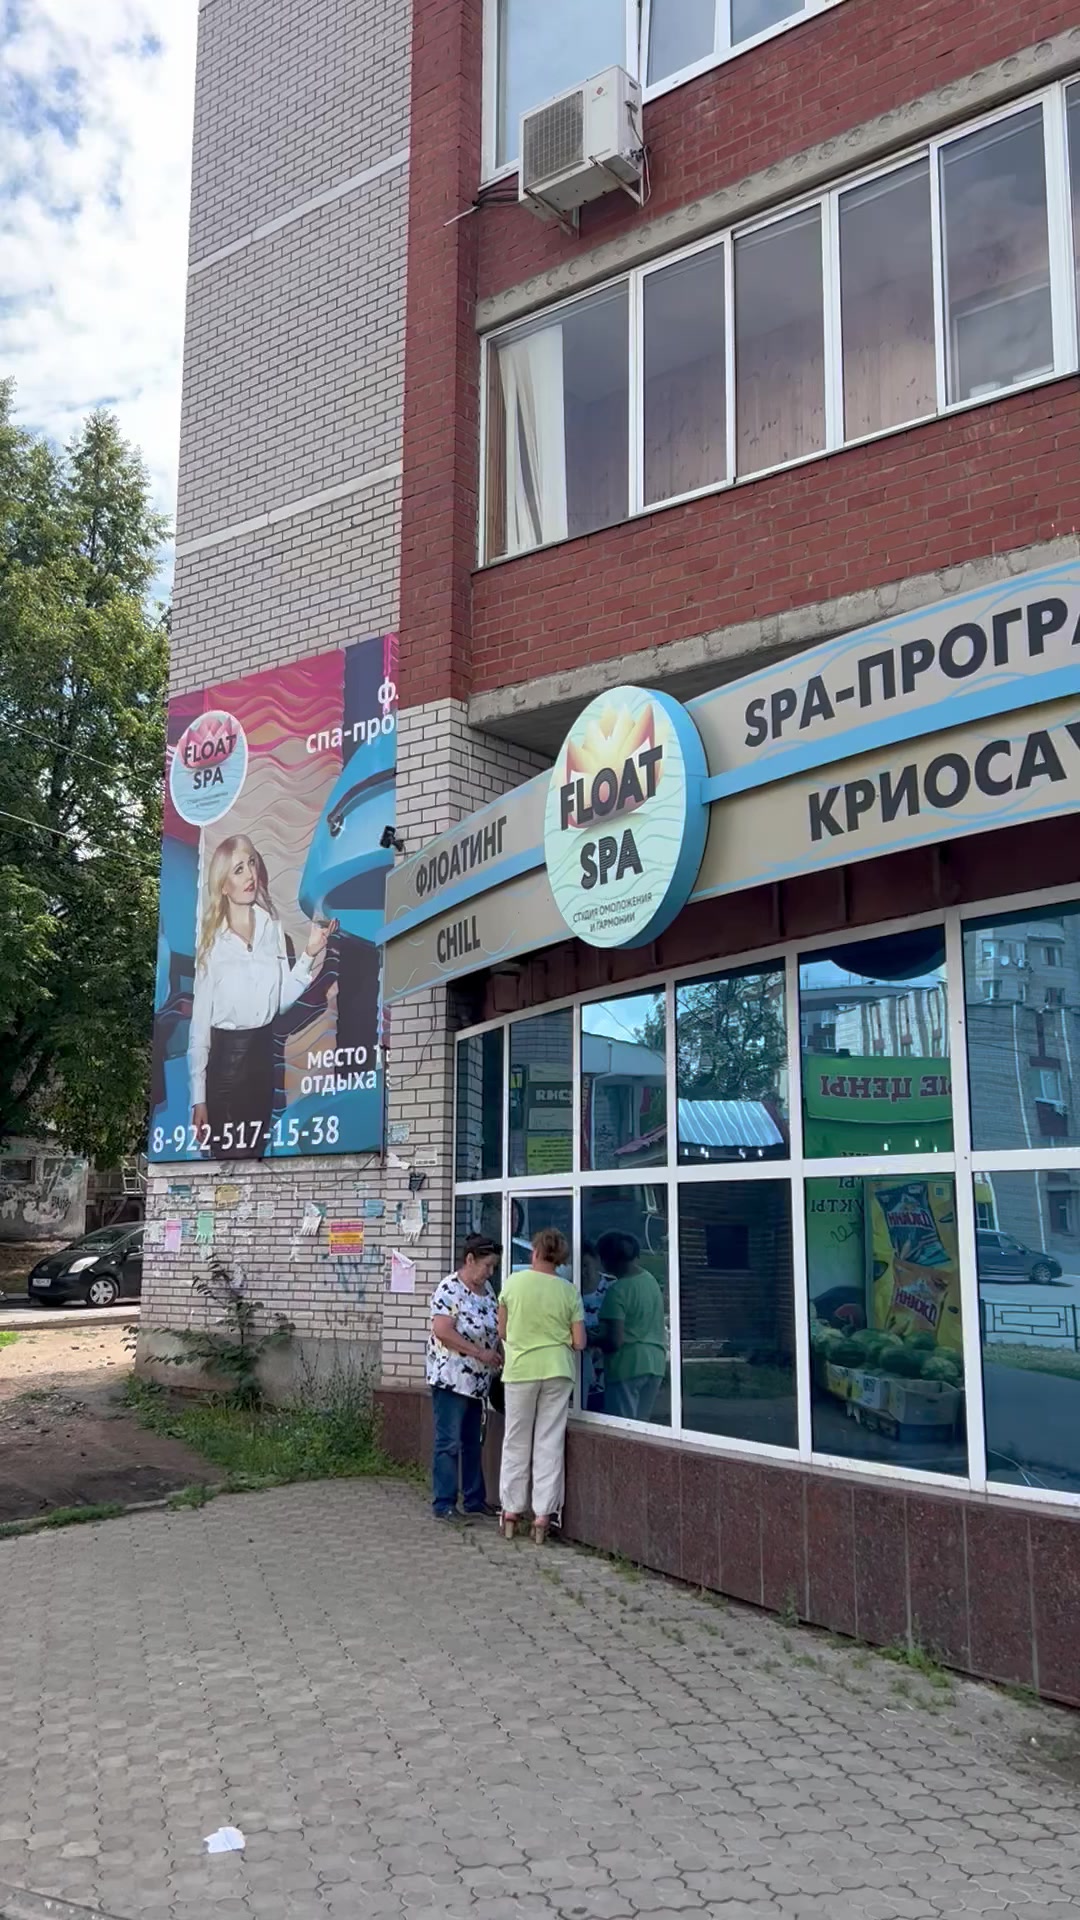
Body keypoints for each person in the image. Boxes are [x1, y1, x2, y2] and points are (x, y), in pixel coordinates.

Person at [189, 834, 336, 1159]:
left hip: (263, 1061)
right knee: (227, 1158)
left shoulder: (272, 930)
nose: (250, 875)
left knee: (255, 1155)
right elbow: (199, 1031)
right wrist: (198, 1098)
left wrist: (310, 953)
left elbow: (280, 1001)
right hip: (224, 1067)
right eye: (238, 869)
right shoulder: (212, 945)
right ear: (223, 885)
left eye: (251, 863)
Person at [498, 1228, 586, 1544]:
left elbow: (503, 1331)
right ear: (560, 1258)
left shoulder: (513, 1283)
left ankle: (511, 1511)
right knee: (549, 1441)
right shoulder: (569, 1291)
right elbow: (579, 1341)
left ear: (534, 1252)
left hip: (521, 1369)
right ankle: (542, 1516)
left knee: (516, 1439)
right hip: (558, 1370)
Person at [426, 1233, 503, 1521]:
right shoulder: (449, 1288)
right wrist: (479, 1353)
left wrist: (496, 1353)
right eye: (487, 1266)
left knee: (472, 1440)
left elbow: (494, 1327)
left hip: (478, 1382)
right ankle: (444, 1502)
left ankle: (474, 1499)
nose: (490, 1272)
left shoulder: (487, 1290)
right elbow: (443, 1331)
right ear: (469, 1260)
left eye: (494, 1267)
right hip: (451, 1378)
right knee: (449, 1441)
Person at [597, 1231, 667, 1423]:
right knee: (642, 1425)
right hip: (655, 1363)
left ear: (609, 1260)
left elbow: (614, 1340)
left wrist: (590, 1339)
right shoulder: (650, 1281)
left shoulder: (617, 1291)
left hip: (626, 1366)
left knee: (622, 1426)